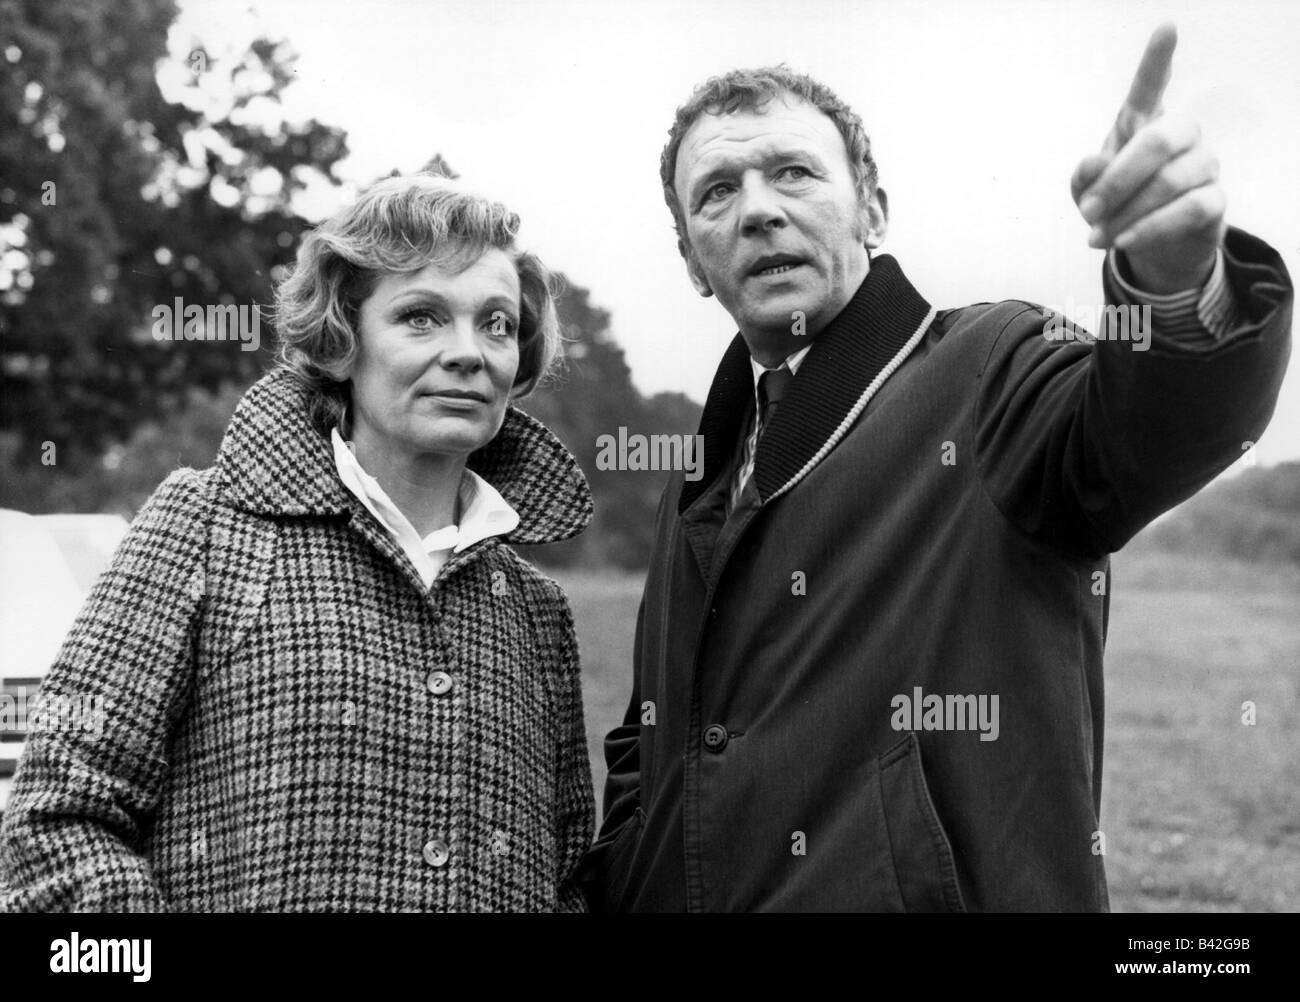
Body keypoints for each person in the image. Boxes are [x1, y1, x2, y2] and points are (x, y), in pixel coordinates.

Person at [584, 25, 1292, 911]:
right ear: (692, 259)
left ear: (872, 208)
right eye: (717, 191)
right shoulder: (703, 470)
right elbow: (650, 739)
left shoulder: (992, 369)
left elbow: (1159, 425)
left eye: (794, 172)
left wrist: (1178, 282)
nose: (757, 208)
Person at [0, 174, 596, 912]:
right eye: (421, 317)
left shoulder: (538, 614)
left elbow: (566, 885)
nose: (469, 353)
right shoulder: (205, 527)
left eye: (498, 323)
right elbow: (54, 821)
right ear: (343, 343)